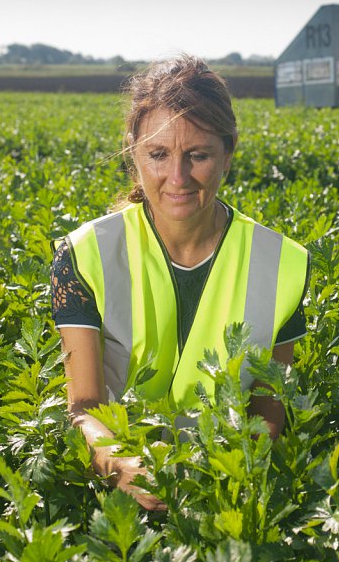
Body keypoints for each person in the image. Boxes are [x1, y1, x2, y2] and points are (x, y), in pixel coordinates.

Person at [50, 55, 310, 510]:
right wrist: (121, 465)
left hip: (225, 494)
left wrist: (234, 471)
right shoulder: (84, 255)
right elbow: (83, 406)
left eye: (199, 155)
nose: (178, 178)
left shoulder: (281, 262)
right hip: (113, 497)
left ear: (228, 154)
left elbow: (270, 404)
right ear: (134, 154)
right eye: (158, 154)